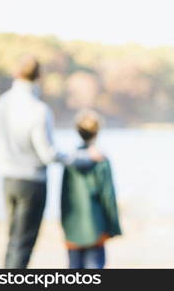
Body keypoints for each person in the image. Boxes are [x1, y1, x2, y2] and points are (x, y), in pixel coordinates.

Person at [0, 55, 101, 268]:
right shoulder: (39, 110)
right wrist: (83, 158)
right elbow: (48, 154)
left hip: (7, 179)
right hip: (32, 183)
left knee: (13, 239)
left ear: (16, 74)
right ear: (39, 77)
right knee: (23, 244)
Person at [61, 109, 122, 269]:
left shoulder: (70, 160)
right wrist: (114, 226)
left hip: (72, 226)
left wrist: (64, 224)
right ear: (97, 132)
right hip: (97, 225)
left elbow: (64, 196)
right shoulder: (101, 160)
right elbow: (108, 196)